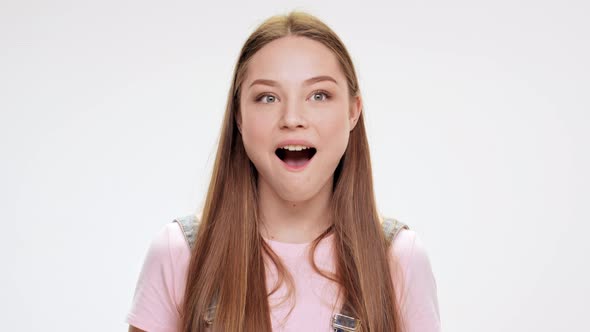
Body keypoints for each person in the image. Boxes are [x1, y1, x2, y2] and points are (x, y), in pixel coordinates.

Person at [126, 10, 440, 332]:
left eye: (319, 95)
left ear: (352, 112)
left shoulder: (400, 260)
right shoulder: (180, 255)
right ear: (239, 116)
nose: (292, 117)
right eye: (268, 97)